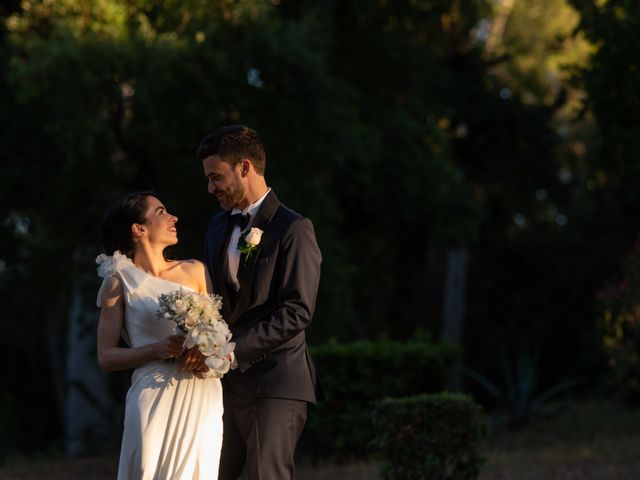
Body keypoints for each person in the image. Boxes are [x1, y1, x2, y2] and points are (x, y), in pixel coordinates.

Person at [195, 125, 323, 480]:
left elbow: (297, 310)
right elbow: (213, 300)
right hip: (222, 386)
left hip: (275, 382)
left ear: (245, 167)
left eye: (216, 177)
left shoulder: (293, 228)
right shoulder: (217, 227)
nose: (211, 188)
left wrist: (232, 352)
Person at [96, 191, 223, 480]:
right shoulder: (119, 280)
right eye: (162, 211)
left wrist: (208, 353)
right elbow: (106, 356)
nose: (173, 217)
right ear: (138, 229)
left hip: (201, 392)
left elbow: (218, 335)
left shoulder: (195, 270)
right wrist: (158, 349)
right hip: (153, 393)